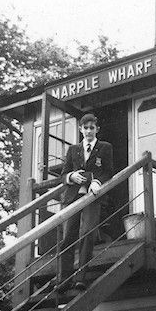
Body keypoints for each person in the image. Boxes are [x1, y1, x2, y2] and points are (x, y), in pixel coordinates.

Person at [58, 113, 113, 290]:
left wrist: (96, 181)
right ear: (81, 129)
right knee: (68, 236)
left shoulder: (105, 147)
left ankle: (80, 276)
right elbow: (63, 174)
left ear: (97, 129)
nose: (89, 131)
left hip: (92, 196)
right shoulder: (73, 149)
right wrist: (71, 176)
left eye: (92, 128)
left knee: (88, 232)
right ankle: (63, 279)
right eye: (85, 128)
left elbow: (107, 171)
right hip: (73, 197)